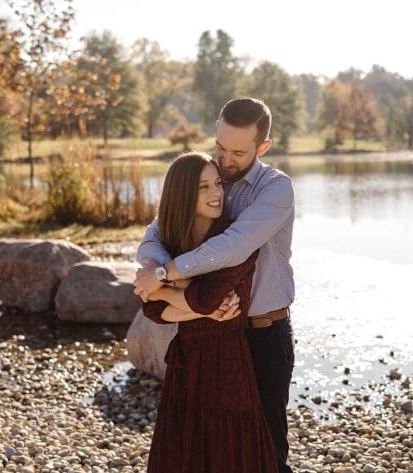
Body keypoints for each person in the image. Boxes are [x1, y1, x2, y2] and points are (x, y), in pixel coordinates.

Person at [135, 97, 296, 473]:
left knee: (267, 454)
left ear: (263, 147)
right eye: (219, 146)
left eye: (238, 152)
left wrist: (162, 277)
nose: (225, 160)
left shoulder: (275, 191)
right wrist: (157, 275)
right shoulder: (211, 175)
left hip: (262, 334)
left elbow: (233, 247)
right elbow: (153, 234)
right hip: (212, 338)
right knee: (210, 450)